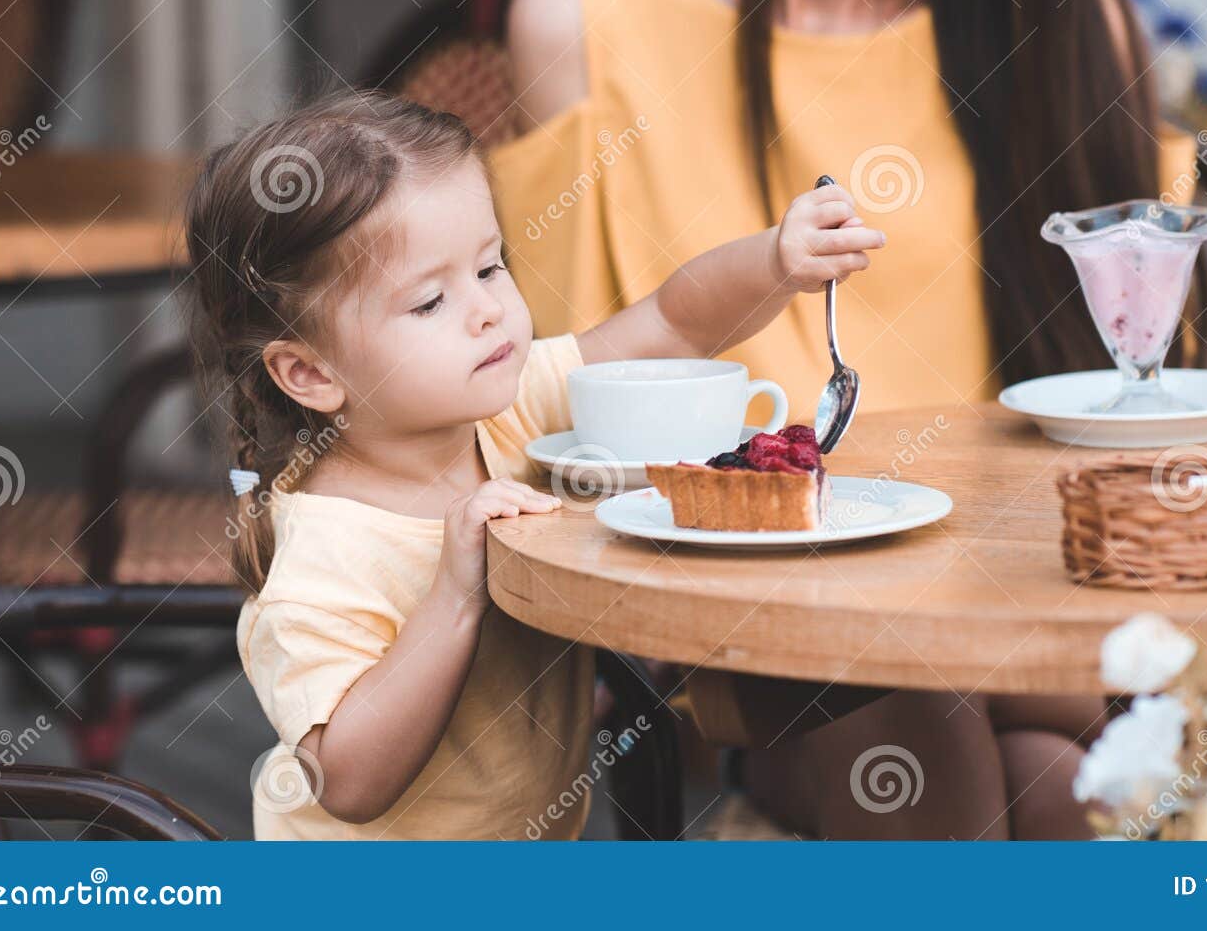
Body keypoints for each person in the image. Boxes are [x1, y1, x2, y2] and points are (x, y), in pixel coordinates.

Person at [495, 0, 1195, 838]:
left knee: (1052, 781)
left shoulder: (1065, 24)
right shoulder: (579, 15)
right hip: (722, 595)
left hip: (1001, 594)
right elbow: (554, 389)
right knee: (930, 727)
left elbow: (1130, 385)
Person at [183, 91, 883, 838]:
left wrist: (775, 261)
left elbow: (675, 321)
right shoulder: (325, 553)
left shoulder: (506, 409)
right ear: (311, 373)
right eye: (429, 302)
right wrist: (454, 598)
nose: (487, 309)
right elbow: (347, 779)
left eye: (489, 267)